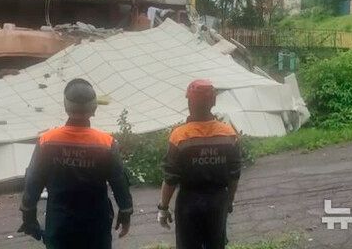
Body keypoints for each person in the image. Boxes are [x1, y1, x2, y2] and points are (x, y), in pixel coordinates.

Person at [18, 78, 133, 248]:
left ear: (66, 107)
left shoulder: (47, 141)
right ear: (93, 108)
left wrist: (28, 215)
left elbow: (33, 180)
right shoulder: (106, 143)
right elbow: (119, 181)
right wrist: (125, 212)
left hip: (60, 224)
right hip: (96, 226)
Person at [157, 79, 242, 249]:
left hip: (188, 202)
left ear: (190, 102)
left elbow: (171, 178)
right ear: (213, 102)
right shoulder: (229, 134)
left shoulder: (179, 136)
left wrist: (163, 207)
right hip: (218, 200)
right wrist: (229, 200)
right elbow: (234, 173)